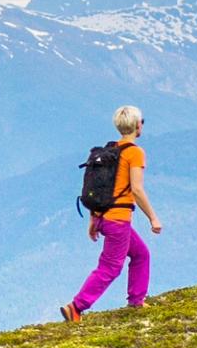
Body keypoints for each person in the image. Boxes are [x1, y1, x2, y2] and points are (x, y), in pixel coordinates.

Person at [64, 106, 158, 319]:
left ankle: (136, 301)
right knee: (110, 267)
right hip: (118, 221)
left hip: (103, 217)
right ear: (137, 125)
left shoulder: (110, 151)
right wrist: (153, 218)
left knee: (141, 254)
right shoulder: (134, 153)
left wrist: (93, 219)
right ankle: (76, 307)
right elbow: (137, 189)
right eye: (142, 120)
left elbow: (100, 187)